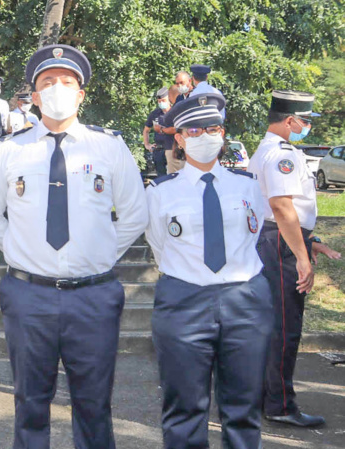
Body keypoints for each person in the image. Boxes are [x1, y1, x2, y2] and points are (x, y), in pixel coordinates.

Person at [0, 45, 148, 449]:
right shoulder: (10, 149)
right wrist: (22, 250)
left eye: (66, 82)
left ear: (81, 93)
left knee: (94, 403)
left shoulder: (109, 147)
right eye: (47, 83)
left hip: (93, 295)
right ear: (33, 97)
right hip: (28, 294)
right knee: (30, 401)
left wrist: (98, 254)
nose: (57, 89)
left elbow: (134, 215)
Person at [146, 92, 273, 449]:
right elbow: (159, 244)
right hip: (184, 299)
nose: (206, 136)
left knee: (244, 407)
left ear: (223, 133)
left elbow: (256, 233)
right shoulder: (159, 192)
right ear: (180, 138)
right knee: (184, 408)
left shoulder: (248, 185)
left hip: (245, 298)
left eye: (213, 128)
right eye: (196, 130)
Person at [248, 90, 341, 428]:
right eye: (304, 120)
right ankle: (281, 405)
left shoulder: (267, 151)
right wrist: (301, 255)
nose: (306, 126)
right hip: (281, 243)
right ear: (290, 121)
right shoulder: (282, 155)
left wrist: (309, 240)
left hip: (279, 239)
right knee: (285, 328)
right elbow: (282, 207)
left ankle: (263, 398)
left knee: (273, 325)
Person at [143, 87, 173, 176]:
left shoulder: (175, 112)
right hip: (159, 150)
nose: (161, 103)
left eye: (163, 100)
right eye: (159, 101)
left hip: (172, 149)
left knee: (175, 176)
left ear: (169, 99)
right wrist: (147, 144)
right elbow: (146, 130)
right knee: (161, 177)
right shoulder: (155, 114)